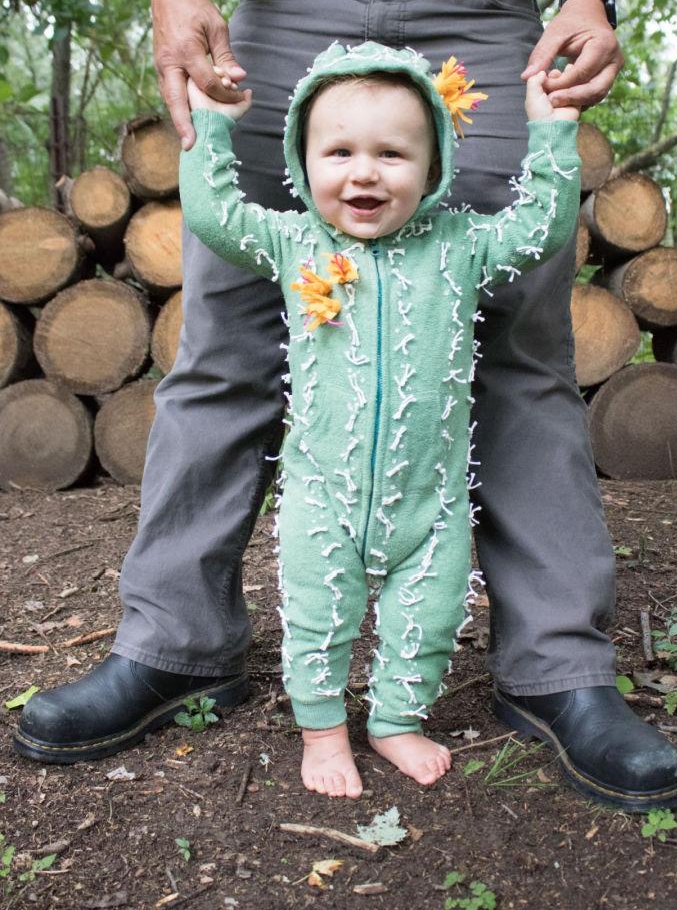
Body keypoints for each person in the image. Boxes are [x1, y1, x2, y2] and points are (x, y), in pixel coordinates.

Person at [14, 0, 677, 813]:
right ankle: (174, 643)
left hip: (481, 12)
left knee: (523, 346)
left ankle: (559, 667)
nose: (364, 176)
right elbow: (221, 220)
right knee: (222, 343)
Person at [180, 40, 581, 796]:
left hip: (430, 506)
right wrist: (215, 124)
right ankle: (323, 729)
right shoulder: (297, 239)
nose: (364, 171)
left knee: (426, 619)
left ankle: (397, 718)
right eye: (338, 152)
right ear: (303, 162)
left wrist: (553, 131)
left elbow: (541, 229)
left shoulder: (459, 245)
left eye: (393, 154)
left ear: (433, 169)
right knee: (317, 614)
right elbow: (214, 215)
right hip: (320, 497)